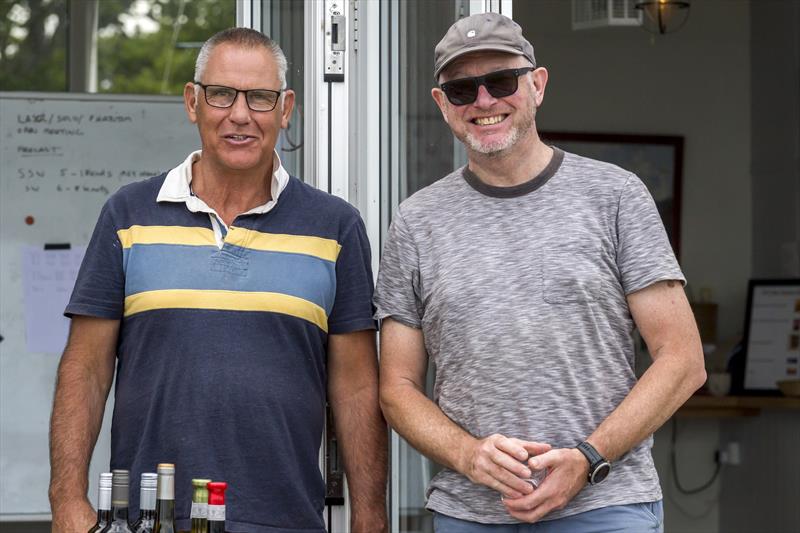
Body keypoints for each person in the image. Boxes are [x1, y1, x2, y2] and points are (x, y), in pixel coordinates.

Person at [375, 13, 706, 532]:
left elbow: (683, 360)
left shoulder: (615, 197)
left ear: (537, 84)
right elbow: (396, 386)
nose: (484, 101)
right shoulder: (416, 222)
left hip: (605, 505)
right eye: (462, 90)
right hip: (471, 514)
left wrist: (588, 458)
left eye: (501, 81)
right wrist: (467, 455)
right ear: (443, 106)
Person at [49, 28, 387, 533]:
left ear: (286, 108)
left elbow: (357, 388)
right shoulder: (127, 214)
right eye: (222, 94)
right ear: (193, 101)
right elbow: (86, 369)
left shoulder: (335, 227)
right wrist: (66, 501)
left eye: (260, 97)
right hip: (151, 521)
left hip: (284, 520)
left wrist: (371, 518)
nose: (240, 115)